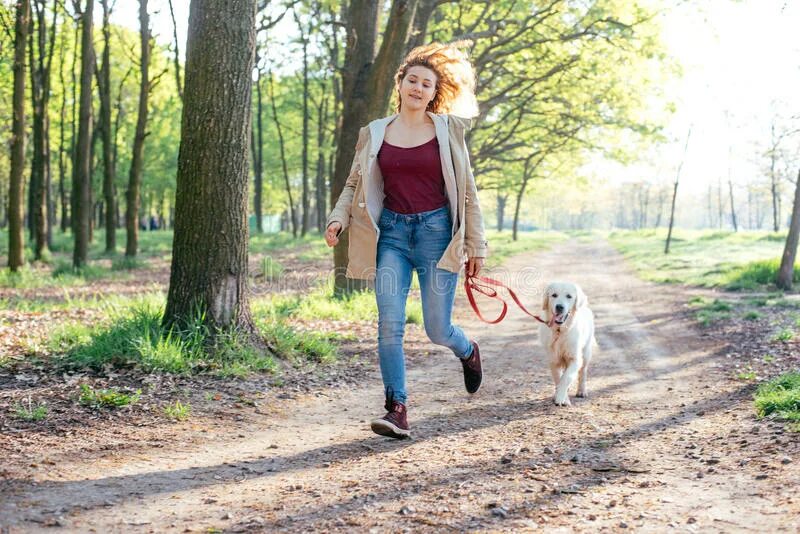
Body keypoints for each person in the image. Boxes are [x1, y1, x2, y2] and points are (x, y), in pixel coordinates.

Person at [324, 42, 488, 439]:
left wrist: (476, 246)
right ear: (400, 84)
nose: (418, 88)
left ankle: (467, 350)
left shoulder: (448, 130)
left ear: (435, 93)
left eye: (426, 84)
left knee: (436, 328)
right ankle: (397, 408)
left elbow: (467, 190)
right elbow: (353, 183)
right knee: (390, 325)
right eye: (411, 80)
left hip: (436, 235)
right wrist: (337, 218)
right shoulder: (375, 132)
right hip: (391, 237)